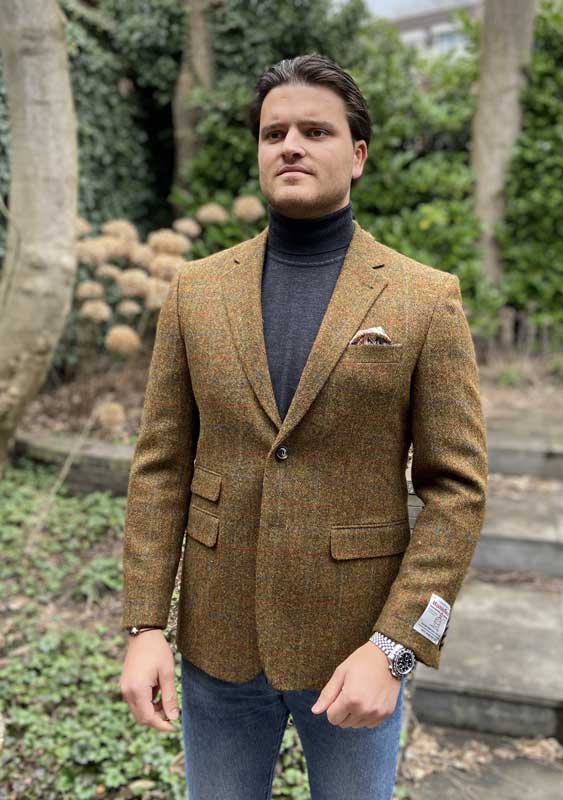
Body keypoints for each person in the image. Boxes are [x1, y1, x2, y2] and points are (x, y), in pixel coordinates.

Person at [119, 52, 488, 800]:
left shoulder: (424, 299)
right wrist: (145, 625)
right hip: (219, 644)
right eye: (274, 132)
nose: (290, 145)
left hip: (356, 650)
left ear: (357, 155)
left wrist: (397, 647)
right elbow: (161, 466)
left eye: (315, 131)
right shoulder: (195, 292)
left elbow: (457, 491)